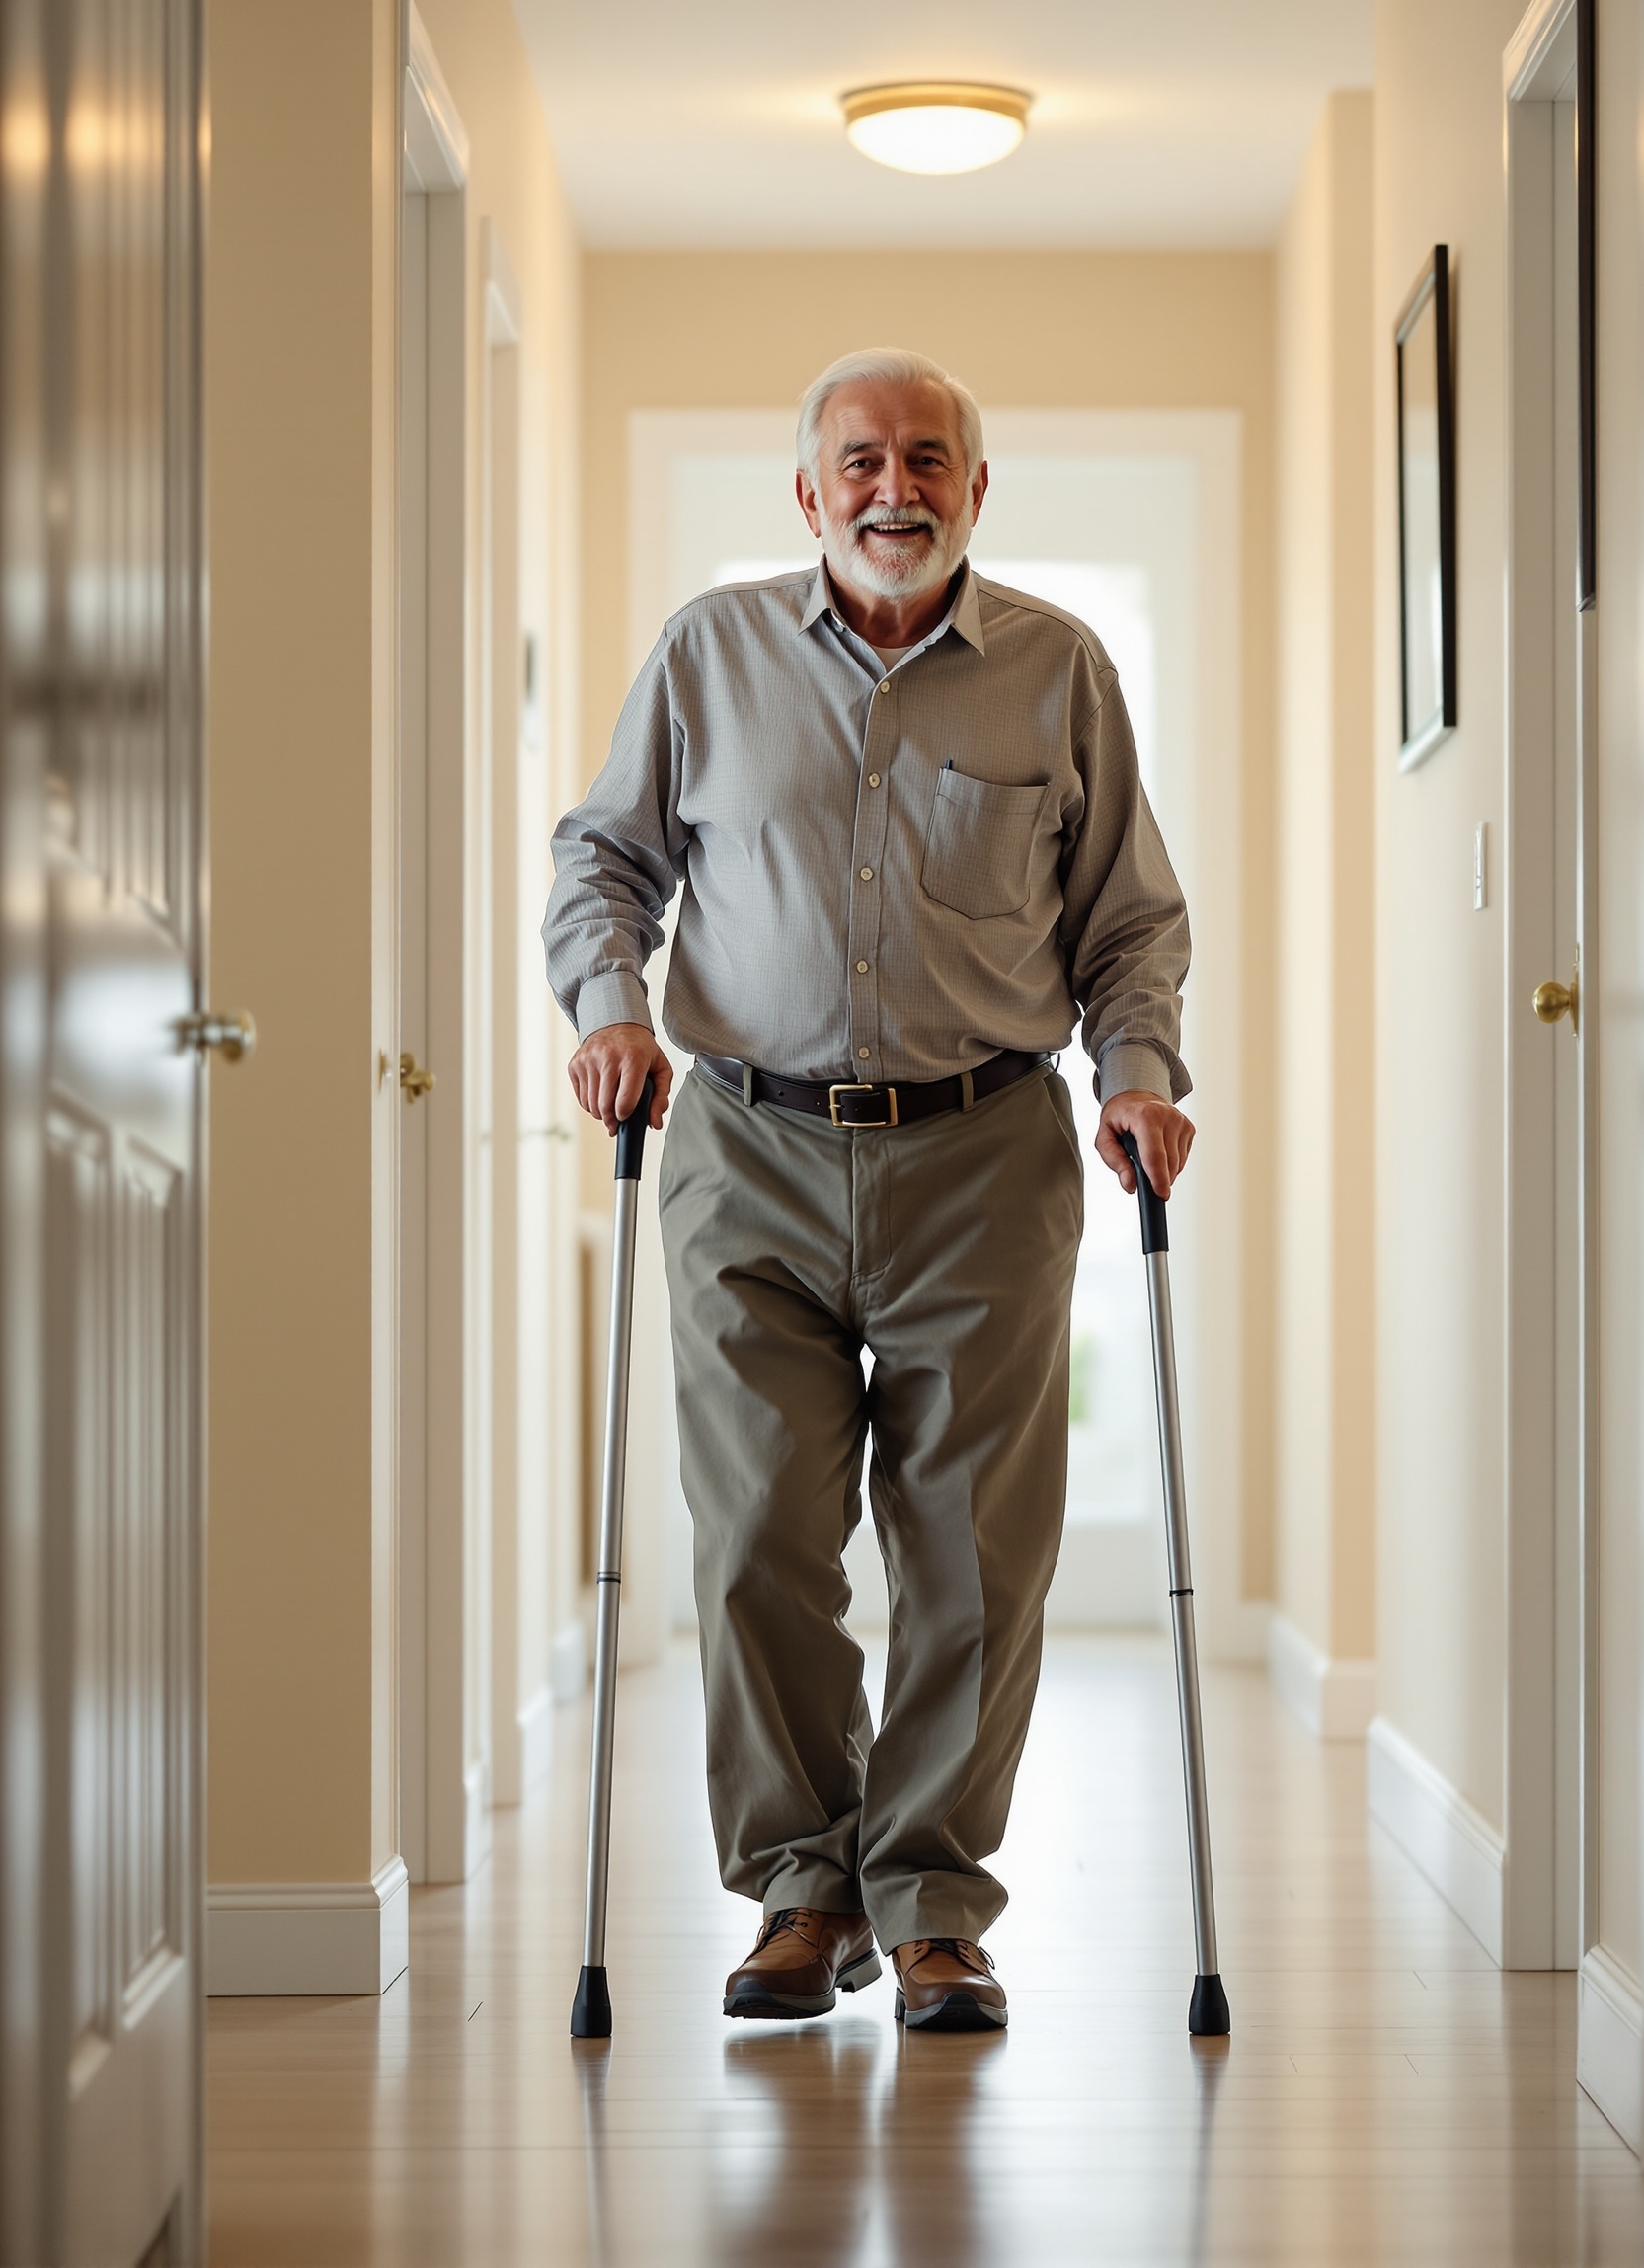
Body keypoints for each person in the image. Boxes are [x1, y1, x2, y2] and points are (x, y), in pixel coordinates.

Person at [543, 346, 1194, 2033]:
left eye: (925, 457)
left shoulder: (1060, 671)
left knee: (975, 1551)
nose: (891, 485)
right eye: (859, 457)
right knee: (759, 1528)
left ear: (976, 490)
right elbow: (602, 858)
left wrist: (1136, 1073)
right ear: (810, 489)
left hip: (984, 1149)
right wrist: (613, 1012)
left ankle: (929, 1907)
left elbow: (1129, 922)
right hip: (746, 1144)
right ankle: (797, 1893)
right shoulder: (711, 652)